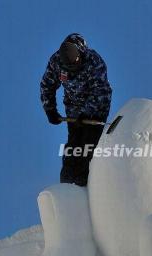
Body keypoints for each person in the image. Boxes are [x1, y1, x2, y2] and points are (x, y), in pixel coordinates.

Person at [40, 33, 112, 186]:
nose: (72, 70)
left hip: (96, 108)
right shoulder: (56, 62)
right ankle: (67, 182)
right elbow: (47, 85)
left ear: (80, 54)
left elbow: (101, 92)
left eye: (75, 65)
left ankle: (85, 180)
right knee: (73, 145)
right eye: (69, 67)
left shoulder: (94, 62)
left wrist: (88, 113)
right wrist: (50, 109)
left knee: (87, 144)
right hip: (74, 107)